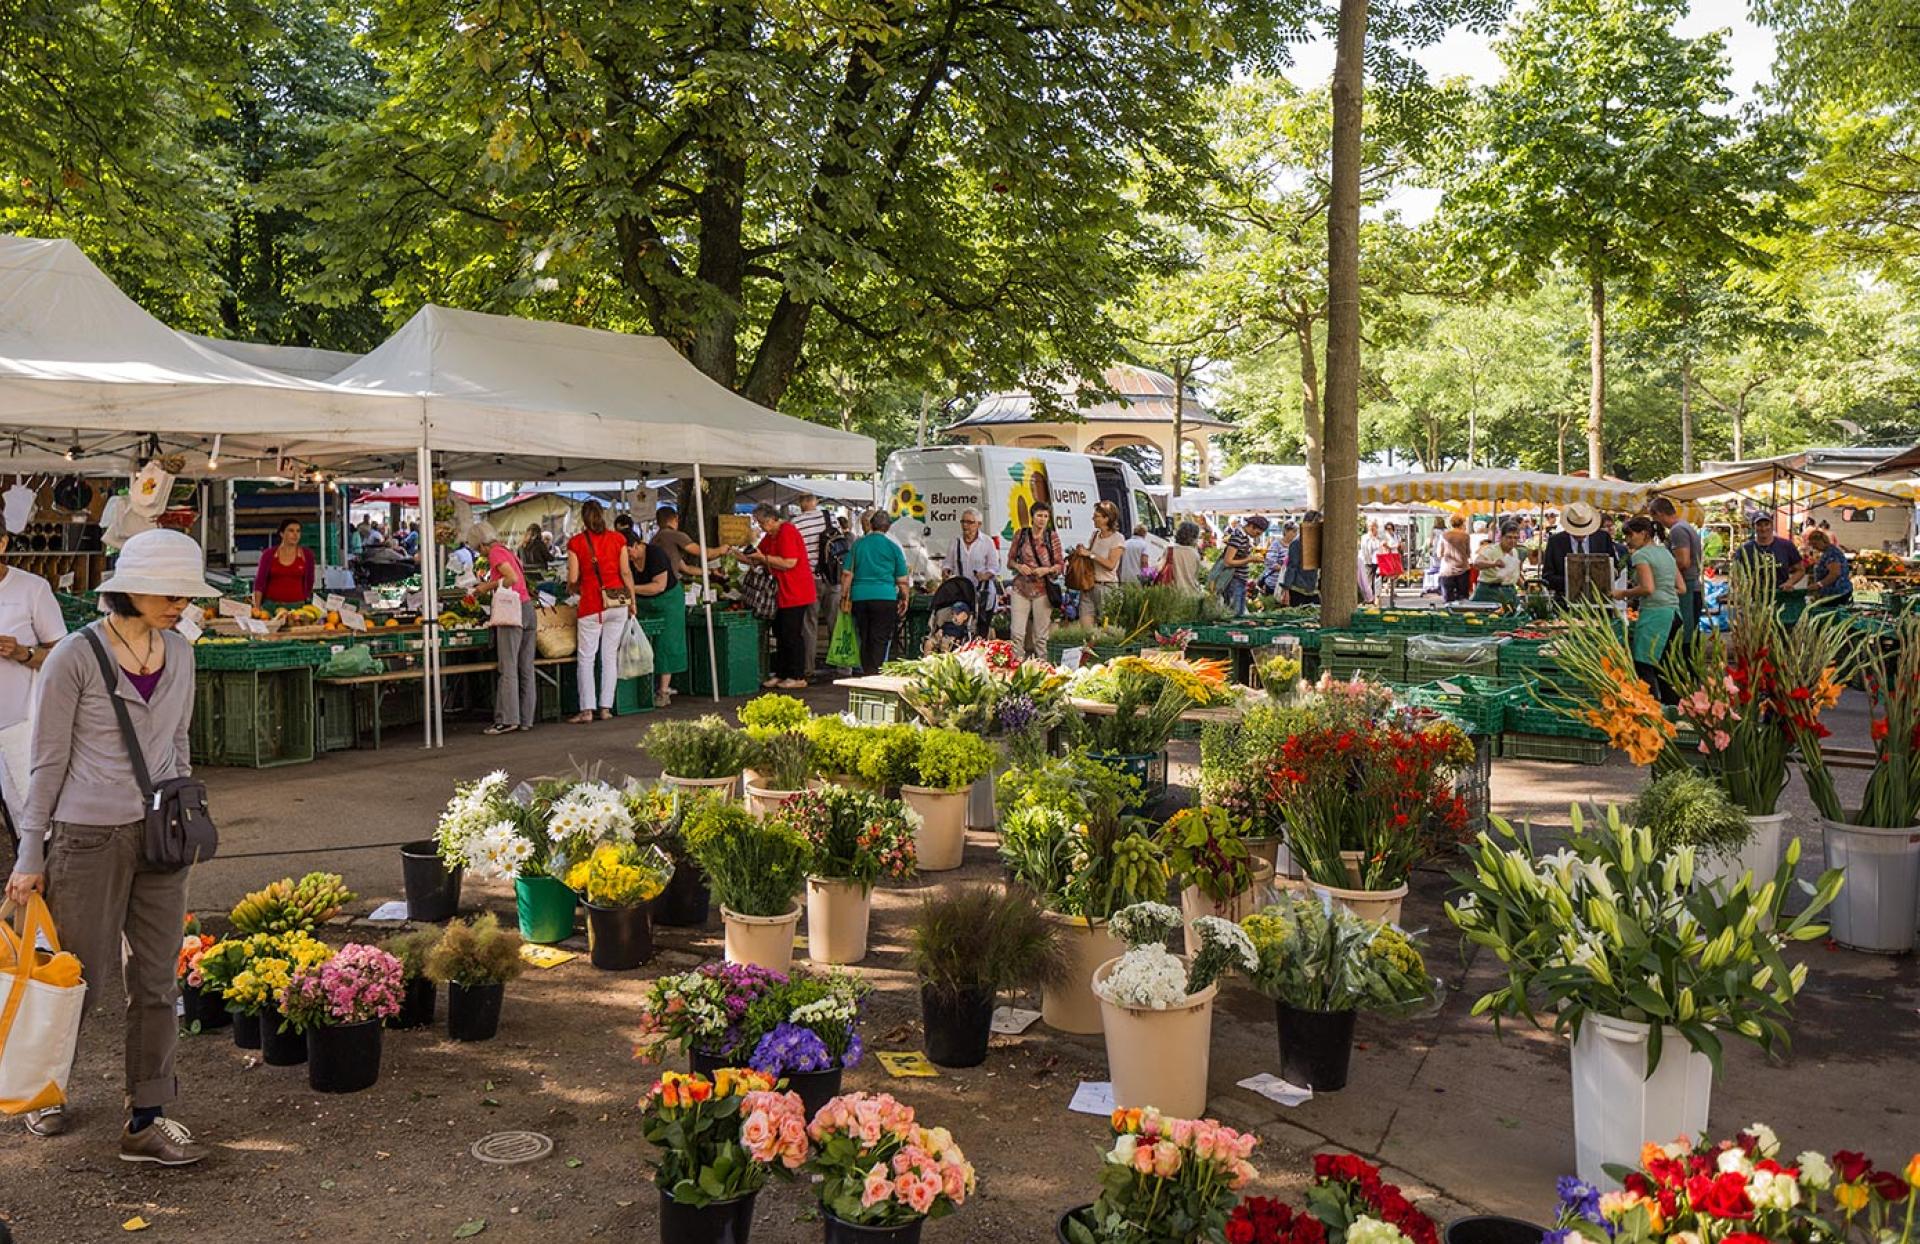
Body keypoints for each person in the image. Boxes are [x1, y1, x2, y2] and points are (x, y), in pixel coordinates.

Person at [5, 529, 215, 1164]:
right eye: (170, 591)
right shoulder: (74, 654)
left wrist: (184, 812)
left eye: (187, 593)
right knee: (78, 979)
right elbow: (47, 763)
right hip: (85, 837)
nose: (181, 603)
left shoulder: (180, 652)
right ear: (129, 589)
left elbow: (177, 742)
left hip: (160, 835)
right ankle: (43, 1090)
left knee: (156, 980)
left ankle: (147, 1117)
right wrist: (29, 852)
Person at [0, 524, 64, 821]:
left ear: (2, 544)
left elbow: (63, 658)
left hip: (18, 727)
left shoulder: (31, 589)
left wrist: (22, 653)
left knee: (29, 817)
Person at [565, 500, 636, 722]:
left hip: (592, 605)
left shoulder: (576, 543)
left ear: (583, 519)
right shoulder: (618, 539)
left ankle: (587, 709)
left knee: (587, 659)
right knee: (609, 657)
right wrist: (632, 601)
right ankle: (606, 707)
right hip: (618, 604)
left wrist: (575, 587)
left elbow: (573, 578)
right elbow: (625, 572)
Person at [737, 502, 816, 688]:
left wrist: (762, 559)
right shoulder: (770, 536)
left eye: (763, 523)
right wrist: (736, 553)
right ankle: (782, 673)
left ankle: (797, 675)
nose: (761, 527)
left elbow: (789, 562)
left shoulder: (787, 531)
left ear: (773, 520)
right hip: (779, 592)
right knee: (779, 632)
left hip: (796, 591)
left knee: (791, 633)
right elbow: (757, 555)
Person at [466, 522, 535, 735]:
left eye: (479, 549)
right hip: (527, 609)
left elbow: (511, 578)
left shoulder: (495, 554)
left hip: (511, 612)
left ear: (483, 545)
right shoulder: (506, 550)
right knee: (526, 667)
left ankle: (507, 719)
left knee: (508, 667)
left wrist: (483, 587)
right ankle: (525, 719)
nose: (481, 553)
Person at [838, 511, 911, 674]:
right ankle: (875, 672)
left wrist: (844, 595)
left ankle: (867, 670)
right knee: (880, 638)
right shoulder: (893, 547)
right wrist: (905, 598)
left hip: (860, 598)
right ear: (888, 527)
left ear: (871, 524)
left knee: (864, 637)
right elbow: (902, 579)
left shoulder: (858, 545)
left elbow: (847, 574)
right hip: (885, 598)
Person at [1614, 515, 1681, 686]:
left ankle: (1651, 707)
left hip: (1655, 616)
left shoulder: (1641, 555)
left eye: (1630, 535)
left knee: (1644, 665)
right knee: (1667, 669)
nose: (1627, 541)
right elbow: (1681, 587)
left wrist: (1622, 593)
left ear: (1643, 533)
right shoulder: (1665, 552)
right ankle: (1672, 707)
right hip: (1674, 614)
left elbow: (1647, 588)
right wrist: (1663, 592)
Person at [627, 518, 684, 707]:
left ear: (638, 544)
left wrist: (631, 588)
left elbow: (658, 586)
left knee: (665, 644)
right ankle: (643, 687)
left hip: (668, 600)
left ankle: (663, 690)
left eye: (629, 551)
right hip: (644, 603)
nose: (628, 556)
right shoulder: (628, 561)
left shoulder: (656, 554)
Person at [1007, 504, 1064, 660]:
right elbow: (1010, 560)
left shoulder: (1051, 537)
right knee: (1017, 633)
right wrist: (1019, 566)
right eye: (1039, 516)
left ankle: (1042, 667)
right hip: (1021, 588)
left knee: (1041, 636)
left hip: (1043, 590)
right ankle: (1016, 665)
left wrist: (1046, 570)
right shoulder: (1021, 535)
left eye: (1046, 516)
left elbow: (1060, 564)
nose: (1042, 520)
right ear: (1032, 517)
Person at [789, 493, 831, 675]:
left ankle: (808, 667)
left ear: (800, 503)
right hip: (832, 577)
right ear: (815, 501)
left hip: (810, 578)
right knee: (836, 623)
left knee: (809, 623)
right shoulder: (830, 518)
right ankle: (844, 667)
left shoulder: (795, 524)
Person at [1541, 501, 1616, 603]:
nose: (1580, 535)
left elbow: (1614, 567)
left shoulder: (1602, 538)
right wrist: (1573, 582)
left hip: (1599, 601)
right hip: (1565, 602)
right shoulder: (1555, 542)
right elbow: (1547, 576)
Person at [1648, 497, 1702, 635]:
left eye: (1653, 516)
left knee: (1685, 632)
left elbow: (1683, 562)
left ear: (1659, 514)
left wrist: (1661, 575)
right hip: (1689, 585)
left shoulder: (1678, 530)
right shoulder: (1683, 526)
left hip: (1687, 586)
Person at [947, 509, 1001, 637]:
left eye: (970, 522)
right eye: (963, 522)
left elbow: (995, 567)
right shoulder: (956, 542)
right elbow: (948, 563)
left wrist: (985, 575)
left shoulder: (987, 542)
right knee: (960, 626)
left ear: (979, 524)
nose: (966, 525)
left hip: (982, 593)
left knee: (982, 628)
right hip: (961, 592)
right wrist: (946, 572)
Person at [1075, 500, 1127, 624]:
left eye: (1096, 516)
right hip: (1089, 585)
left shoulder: (1117, 538)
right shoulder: (1095, 535)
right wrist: (1083, 551)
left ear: (1107, 518)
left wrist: (1091, 554)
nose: (1093, 518)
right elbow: (1090, 556)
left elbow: (1111, 565)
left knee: (1106, 627)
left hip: (1107, 587)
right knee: (1086, 627)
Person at [250, 518, 315, 612]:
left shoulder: (307, 555)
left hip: (298, 607)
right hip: (271, 607)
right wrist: (257, 607)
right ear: (282, 534)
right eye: (291, 531)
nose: (295, 534)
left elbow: (310, 582)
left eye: (298, 531)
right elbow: (259, 583)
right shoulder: (268, 555)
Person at [1737, 514, 1804, 589]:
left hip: (1780, 593)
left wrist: (1789, 583)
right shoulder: (1744, 549)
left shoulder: (1786, 545)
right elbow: (1736, 574)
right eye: (1759, 525)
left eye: (1766, 524)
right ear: (1753, 527)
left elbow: (1800, 570)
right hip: (1754, 596)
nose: (1763, 528)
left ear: (1772, 525)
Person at [1218, 515, 1267, 616]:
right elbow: (1228, 561)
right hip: (1233, 580)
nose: (1257, 536)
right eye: (1257, 533)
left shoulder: (1243, 537)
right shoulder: (1237, 536)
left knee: (1239, 614)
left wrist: (1251, 559)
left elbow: (1238, 558)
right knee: (1234, 614)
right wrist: (1250, 559)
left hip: (1239, 580)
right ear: (1251, 526)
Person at [1471, 521, 1527, 607]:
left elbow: (1515, 575)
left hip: (1509, 593)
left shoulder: (1515, 552)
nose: (1512, 541)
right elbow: (1477, 563)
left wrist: (1526, 588)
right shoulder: (1491, 550)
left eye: (1515, 538)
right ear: (1501, 537)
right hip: (1489, 592)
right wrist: (1494, 563)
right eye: (1509, 537)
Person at [1803, 528, 1853, 607]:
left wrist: (1819, 584)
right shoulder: (1828, 551)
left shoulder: (1832, 553)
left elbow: (1835, 573)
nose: (1814, 547)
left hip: (1836, 593)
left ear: (1822, 541)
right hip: (1835, 592)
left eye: (1815, 544)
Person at [1281, 513, 1320, 606]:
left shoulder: (1317, 540)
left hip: (1313, 589)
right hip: (1298, 589)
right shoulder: (1297, 543)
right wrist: (1286, 588)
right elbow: (1292, 567)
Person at [1436, 515, 1472, 602]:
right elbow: (1468, 553)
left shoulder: (1444, 535)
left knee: (1448, 598)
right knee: (1463, 598)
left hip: (1447, 570)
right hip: (1463, 569)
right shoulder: (1466, 536)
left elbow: (1439, 553)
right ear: (1462, 524)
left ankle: (1448, 614)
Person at [1163, 522, 1203, 594]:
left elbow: (1160, 569)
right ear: (1194, 537)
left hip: (1172, 592)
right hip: (1190, 592)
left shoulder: (1169, 550)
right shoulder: (1195, 554)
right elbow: (1195, 575)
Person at [1375, 522, 1404, 607]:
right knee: (1389, 572)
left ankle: (1389, 586)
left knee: (1397, 573)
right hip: (1388, 555)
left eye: (1390, 528)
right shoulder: (1384, 536)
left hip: (1395, 555)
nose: (1388, 530)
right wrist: (1392, 547)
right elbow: (1384, 545)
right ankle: (1389, 586)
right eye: (1387, 528)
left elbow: (1400, 544)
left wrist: (1399, 546)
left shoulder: (1396, 536)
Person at [1359, 520, 1382, 601]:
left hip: (1379, 562)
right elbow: (1364, 550)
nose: (1372, 528)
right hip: (1368, 562)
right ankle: (1369, 598)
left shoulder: (1379, 538)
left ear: (1377, 527)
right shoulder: (1364, 537)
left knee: (1377, 580)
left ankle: (1376, 597)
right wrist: (1367, 561)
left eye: (1374, 526)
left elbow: (1381, 549)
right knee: (1368, 580)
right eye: (1370, 526)